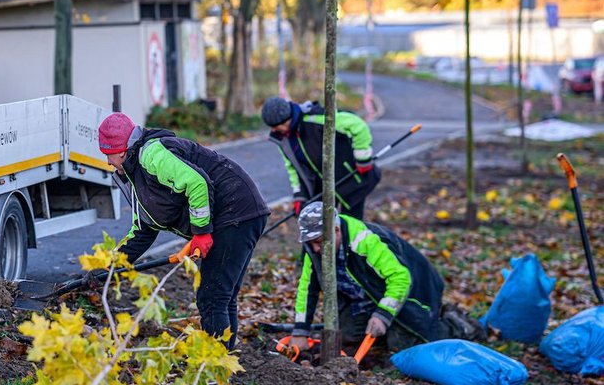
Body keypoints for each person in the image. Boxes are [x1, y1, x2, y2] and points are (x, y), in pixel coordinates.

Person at [98, 112, 270, 349]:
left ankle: (214, 370)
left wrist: (201, 232)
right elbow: (142, 230)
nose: (108, 162)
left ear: (121, 150)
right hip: (239, 212)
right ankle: (224, 364)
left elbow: (196, 183)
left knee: (212, 298)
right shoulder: (134, 173)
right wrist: (109, 268)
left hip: (235, 211)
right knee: (221, 296)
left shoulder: (152, 155)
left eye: (108, 155)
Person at [287, 201, 482, 355]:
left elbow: (400, 277)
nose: (315, 249)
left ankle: (457, 324)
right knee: (347, 340)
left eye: (319, 242)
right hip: (363, 296)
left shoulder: (365, 241)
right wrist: (300, 331)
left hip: (411, 291)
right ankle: (386, 331)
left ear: (336, 230)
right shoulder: (314, 248)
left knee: (408, 344)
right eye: (310, 243)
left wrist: (383, 315)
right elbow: (307, 288)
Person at [261, 97, 380, 219]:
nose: (274, 130)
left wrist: (363, 159)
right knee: (322, 225)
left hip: (353, 179)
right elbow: (294, 168)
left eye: (276, 126)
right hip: (324, 187)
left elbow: (358, 126)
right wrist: (299, 195)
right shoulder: (283, 140)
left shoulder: (316, 118)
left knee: (350, 225)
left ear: (287, 119)